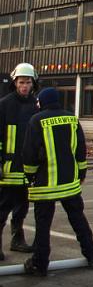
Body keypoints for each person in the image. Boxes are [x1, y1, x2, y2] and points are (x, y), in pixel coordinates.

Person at [21, 87, 93, 275]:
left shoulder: (36, 120)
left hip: (45, 184)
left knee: (43, 226)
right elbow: (81, 149)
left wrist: (29, 176)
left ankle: (40, 263)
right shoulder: (72, 119)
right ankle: (91, 253)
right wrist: (81, 174)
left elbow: (29, 153)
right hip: (70, 182)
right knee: (78, 219)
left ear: (43, 101)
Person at [0, 62, 39, 259]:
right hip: (8, 168)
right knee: (2, 208)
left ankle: (17, 240)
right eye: (21, 82)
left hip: (27, 168)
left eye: (28, 82)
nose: (24, 86)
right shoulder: (4, 104)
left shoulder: (35, 105)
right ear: (15, 83)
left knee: (22, 206)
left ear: (33, 83)